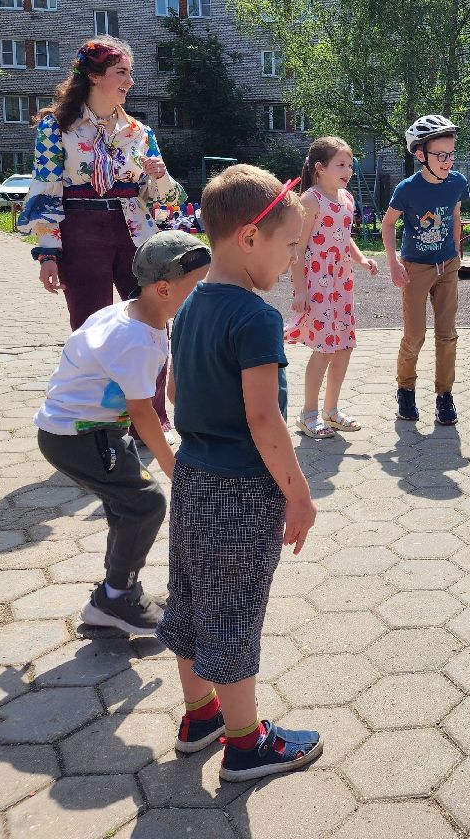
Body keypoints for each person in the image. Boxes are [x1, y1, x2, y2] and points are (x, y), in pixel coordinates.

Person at [157, 163, 321, 783]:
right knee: (233, 612)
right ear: (250, 237)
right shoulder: (256, 317)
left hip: (192, 478)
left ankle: (200, 715)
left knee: (194, 602)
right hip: (240, 492)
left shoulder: (191, 300)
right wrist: (298, 494)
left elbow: (173, 392)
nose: (291, 261)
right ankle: (246, 744)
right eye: (289, 246)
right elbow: (264, 418)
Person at [34, 231, 210, 635]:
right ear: (164, 288)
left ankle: (116, 594)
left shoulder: (135, 314)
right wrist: (174, 470)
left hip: (88, 431)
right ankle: (115, 598)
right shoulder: (135, 339)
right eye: (198, 287)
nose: (205, 294)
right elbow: (143, 414)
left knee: (126, 505)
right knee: (146, 504)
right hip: (78, 436)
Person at [17, 37, 182, 423]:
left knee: (152, 325)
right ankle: (97, 422)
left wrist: (161, 177)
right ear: (93, 77)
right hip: (81, 232)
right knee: (91, 329)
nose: (130, 81)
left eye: (130, 73)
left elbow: (166, 199)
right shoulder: (56, 128)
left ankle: (152, 420)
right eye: (121, 73)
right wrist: (48, 253)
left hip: (135, 235)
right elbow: (46, 189)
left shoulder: (139, 132)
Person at [284, 136, 378, 438]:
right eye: (341, 164)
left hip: (341, 280)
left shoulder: (346, 198)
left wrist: (361, 259)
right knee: (325, 348)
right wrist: (300, 291)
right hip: (317, 282)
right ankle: (308, 413)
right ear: (320, 168)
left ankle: (331, 410)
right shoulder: (310, 200)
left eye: (349, 164)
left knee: (345, 346)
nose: (347, 170)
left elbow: (343, 234)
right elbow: (296, 248)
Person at [381, 115, 468, 427]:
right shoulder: (407, 189)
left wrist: (456, 252)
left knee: (447, 335)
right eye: (440, 155)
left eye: (451, 154)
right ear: (420, 155)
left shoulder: (457, 182)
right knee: (415, 335)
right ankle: (405, 388)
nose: (448, 161)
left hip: (448, 267)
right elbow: (388, 224)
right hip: (415, 269)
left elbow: (456, 215)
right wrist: (392, 263)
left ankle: (444, 395)